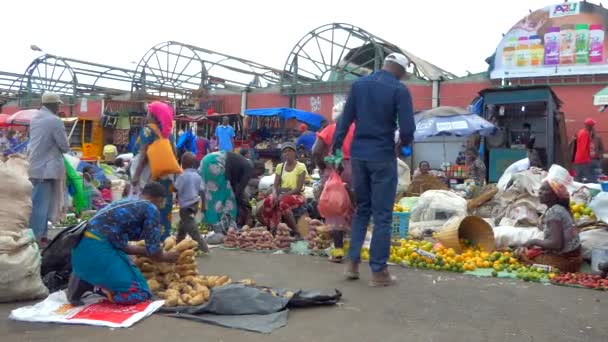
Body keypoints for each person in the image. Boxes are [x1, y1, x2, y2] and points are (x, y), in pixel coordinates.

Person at [332, 53, 415, 286]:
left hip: (358, 156)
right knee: (382, 216)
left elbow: (344, 122)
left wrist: (337, 152)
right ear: (399, 70)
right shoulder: (399, 90)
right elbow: (408, 127)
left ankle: (352, 265)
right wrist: (403, 144)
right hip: (382, 156)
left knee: (362, 210)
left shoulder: (359, 85)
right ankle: (379, 273)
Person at [67, 182, 180, 306]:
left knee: (128, 268)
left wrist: (146, 251)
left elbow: (123, 247)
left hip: (81, 250)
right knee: (140, 292)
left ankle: (86, 280)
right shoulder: (151, 208)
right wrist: (167, 256)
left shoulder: (127, 202)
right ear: (160, 200)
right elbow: (154, 252)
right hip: (97, 250)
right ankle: (97, 287)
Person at [312, 101, 355, 263]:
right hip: (357, 171)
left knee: (335, 211)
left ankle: (338, 250)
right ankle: (356, 249)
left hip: (335, 171)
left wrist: (324, 168)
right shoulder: (358, 130)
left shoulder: (329, 129)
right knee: (356, 209)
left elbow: (316, 152)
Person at [131, 101, 178, 241]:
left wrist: (136, 175)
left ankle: (149, 242)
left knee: (149, 207)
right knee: (164, 208)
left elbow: (144, 155)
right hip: (166, 178)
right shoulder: (168, 133)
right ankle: (164, 240)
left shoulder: (148, 130)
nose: (146, 115)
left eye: (148, 112)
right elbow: (175, 155)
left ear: (153, 114)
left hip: (151, 177)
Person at [28, 92, 70, 247]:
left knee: (38, 204)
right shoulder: (54, 121)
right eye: (58, 104)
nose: (59, 106)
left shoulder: (36, 118)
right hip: (47, 170)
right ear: (54, 105)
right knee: (42, 206)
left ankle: (41, 235)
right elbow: (64, 146)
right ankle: (38, 238)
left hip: (36, 167)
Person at [519, 179, 582, 273]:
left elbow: (556, 244)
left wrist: (534, 241)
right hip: (573, 256)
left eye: (545, 190)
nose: (540, 192)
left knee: (521, 255)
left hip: (565, 260)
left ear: (554, 195)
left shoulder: (554, 212)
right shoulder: (559, 209)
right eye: (540, 189)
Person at [200, 150, 263, 239]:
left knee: (212, 197)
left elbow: (234, 184)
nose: (256, 176)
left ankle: (211, 223)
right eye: (259, 174)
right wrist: (246, 207)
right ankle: (225, 227)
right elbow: (239, 191)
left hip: (206, 160)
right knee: (228, 200)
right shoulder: (249, 168)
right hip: (216, 163)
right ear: (257, 169)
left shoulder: (243, 163)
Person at [261, 143, 307, 232]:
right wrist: (274, 193)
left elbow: (298, 188)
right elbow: (275, 185)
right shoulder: (280, 166)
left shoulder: (301, 166)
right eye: (285, 152)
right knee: (268, 201)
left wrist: (283, 195)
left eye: (289, 151)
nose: (287, 154)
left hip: (296, 194)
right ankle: (272, 228)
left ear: (294, 153)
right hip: (281, 193)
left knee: (283, 203)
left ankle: (296, 230)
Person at [174, 152, 208, 252]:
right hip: (195, 204)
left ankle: (204, 248)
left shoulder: (182, 176)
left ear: (182, 163)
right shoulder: (197, 176)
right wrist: (204, 205)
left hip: (186, 207)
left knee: (193, 230)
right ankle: (178, 244)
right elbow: (202, 191)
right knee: (183, 226)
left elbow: (176, 188)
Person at [573, 118, 596, 182]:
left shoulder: (581, 131)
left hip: (579, 158)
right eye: (592, 125)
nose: (593, 127)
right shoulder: (585, 134)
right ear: (589, 126)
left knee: (578, 177)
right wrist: (588, 158)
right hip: (583, 159)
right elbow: (583, 148)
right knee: (590, 177)